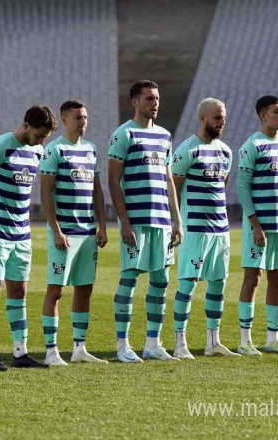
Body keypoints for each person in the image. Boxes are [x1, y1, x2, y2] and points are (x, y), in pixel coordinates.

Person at [0, 106, 57, 371]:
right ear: (26, 125)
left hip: (22, 232)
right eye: (40, 135)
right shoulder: (0, 146)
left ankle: (20, 352)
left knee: (19, 290)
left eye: (46, 137)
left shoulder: (38, 150)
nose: (42, 141)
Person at [108, 80, 183, 363]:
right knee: (129, 278)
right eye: (150, 98)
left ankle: (153, 344)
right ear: (135, 102)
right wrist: (124, 221)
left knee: (161, 280)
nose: (155, 103)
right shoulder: (123, 134)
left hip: (162, 220)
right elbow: (114, 180)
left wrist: (177, 220)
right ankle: (122, 345)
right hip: (136, 220)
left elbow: (168, 180)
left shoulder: (164, 136)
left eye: (158, 98)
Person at [38, 99, 109, 366]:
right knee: (55, 291)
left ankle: (79, 348)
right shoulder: (54, 151)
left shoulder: (91, 150)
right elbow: (45, 193)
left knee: (84, 289)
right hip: (64, 231)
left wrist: (101, 225)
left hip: (87, 231)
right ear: (64, 120)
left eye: (86, 117)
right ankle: (51, 351)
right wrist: (55, 230)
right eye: (78, 117)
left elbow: (97, 191)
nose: (83, 122)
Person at [169, 98, 239, 358]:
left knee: (218, 284)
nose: (222, 122)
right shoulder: (187, 150)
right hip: (194, 229)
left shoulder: (226, 151)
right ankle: (180, 343)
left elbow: (221, 185)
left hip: (220, 230)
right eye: (217, 117)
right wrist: (175, 222)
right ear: (203, 118)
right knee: (188, 283)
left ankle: (213, 342)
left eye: (223, 117)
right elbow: (172, 189)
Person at [236, 95, 278, 356]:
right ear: (263, 116)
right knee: (253, 277)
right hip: (259, 226)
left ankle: (273, 339)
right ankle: (244, 340)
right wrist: (254, 224)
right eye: (276, 111)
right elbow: (242, 187)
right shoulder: (252, 146)